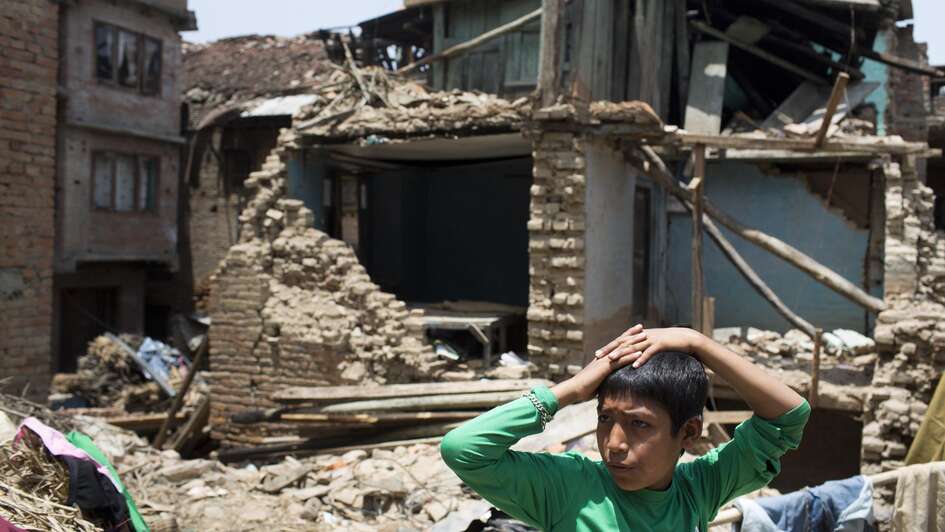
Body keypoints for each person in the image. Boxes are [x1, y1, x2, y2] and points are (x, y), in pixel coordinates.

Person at [440, 325, 810, 531]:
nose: (614, 444)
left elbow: (790, 414)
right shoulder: (570, 487)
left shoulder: (700, 488)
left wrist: (699, 343)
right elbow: (462, 449)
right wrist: (569, 391)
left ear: (688, 433)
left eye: (638, 424)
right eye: (605, 419)